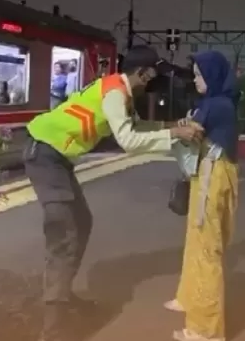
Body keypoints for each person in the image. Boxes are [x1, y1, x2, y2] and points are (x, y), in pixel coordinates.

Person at [23, 45, 204, 341]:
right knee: (65, 231)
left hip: (54, 156)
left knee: (81, 222)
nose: (156, 82)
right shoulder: (115, 93)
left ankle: (62, 295)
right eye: (154, 75)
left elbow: (138, 125)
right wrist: (174, 134)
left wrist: (172, 125)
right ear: (143, 72)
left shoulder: (121, 93)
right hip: (44, 153)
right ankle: (53, 326)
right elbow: (129, 139)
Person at [164, 50, 240, 341]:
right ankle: (188, 298)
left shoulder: (217, 105)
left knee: (207, 250)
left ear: (212, 75)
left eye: (199, 74)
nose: (195, 79)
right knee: (196, 239)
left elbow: (188, 130)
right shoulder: (215, 102)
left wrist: (142, 132)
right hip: (209, 172)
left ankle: (205, 330)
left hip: (213, 175)